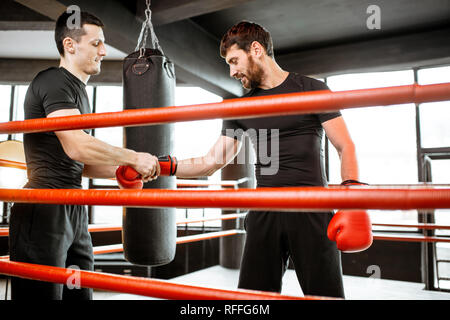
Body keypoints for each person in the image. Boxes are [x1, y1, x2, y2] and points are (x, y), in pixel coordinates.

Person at [117, 21, 372, 298]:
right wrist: (158, 164)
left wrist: (352, 196)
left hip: (310, 209)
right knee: (252, 299)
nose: (232, 71)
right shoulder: (241, 106)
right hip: (264, 210)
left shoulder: (311, 88)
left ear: (256, 49)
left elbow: (345, 145)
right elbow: (212, 161)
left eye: (234, 61)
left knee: (326, 295)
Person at [8, 10, 160, 300]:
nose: (104, 51)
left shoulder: (79, 91)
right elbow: (77, 144)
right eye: (96, 43)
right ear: (69, 45)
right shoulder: (54, 81)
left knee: (79, 293)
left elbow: (78, 162)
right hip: (45, 207)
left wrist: (122, 171)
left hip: (73, 207)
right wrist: (131, 157)